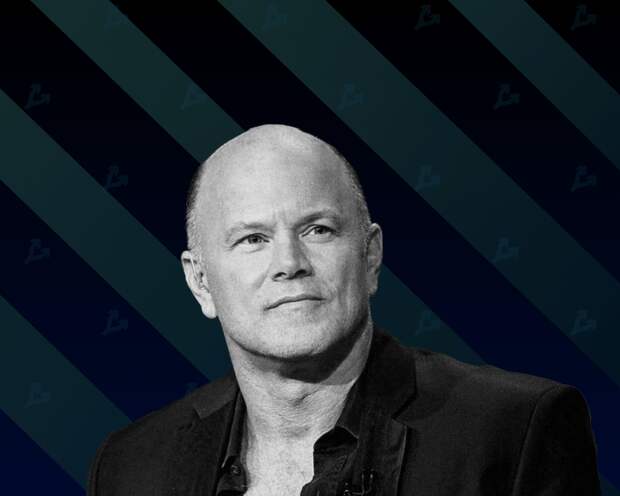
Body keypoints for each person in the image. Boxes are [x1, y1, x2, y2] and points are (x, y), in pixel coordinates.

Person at [87, 124, 601, 495]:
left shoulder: (513, 430)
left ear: (370, 255)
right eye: (252, 239)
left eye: (318, 230)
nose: (289, 263)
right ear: (200, 281)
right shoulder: (131, 469)